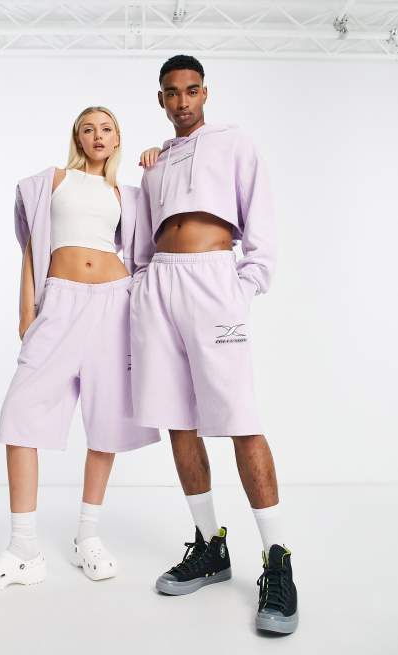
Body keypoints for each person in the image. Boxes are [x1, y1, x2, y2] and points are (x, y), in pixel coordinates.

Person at [132, 55, 298, 634]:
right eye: (172, 92)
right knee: (179, 421)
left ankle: (277, 560)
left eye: (192, 90)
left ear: (206, 92)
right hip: (161, 284)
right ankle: (210, 546)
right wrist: (142, 286)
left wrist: (243, 285)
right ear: (161, 99)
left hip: (214, 282)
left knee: (240, 419)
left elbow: (261, 221)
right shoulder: (154, 165)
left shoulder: (234, 142)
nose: (182, 100)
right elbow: (142, 239)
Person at [0, 106, 160, 595]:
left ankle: (87, 536)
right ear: (77, 137)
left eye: (107, 128)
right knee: (20, 415)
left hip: (114, 304)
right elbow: (31, 249)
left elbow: (159, 227)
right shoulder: (51, 181)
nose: (98, 135)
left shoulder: (128, 194)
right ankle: (23, 549)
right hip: (60, 302)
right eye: (88, 129)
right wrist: (26, 312)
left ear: (118, 138)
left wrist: (160, 158)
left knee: (107, 421)